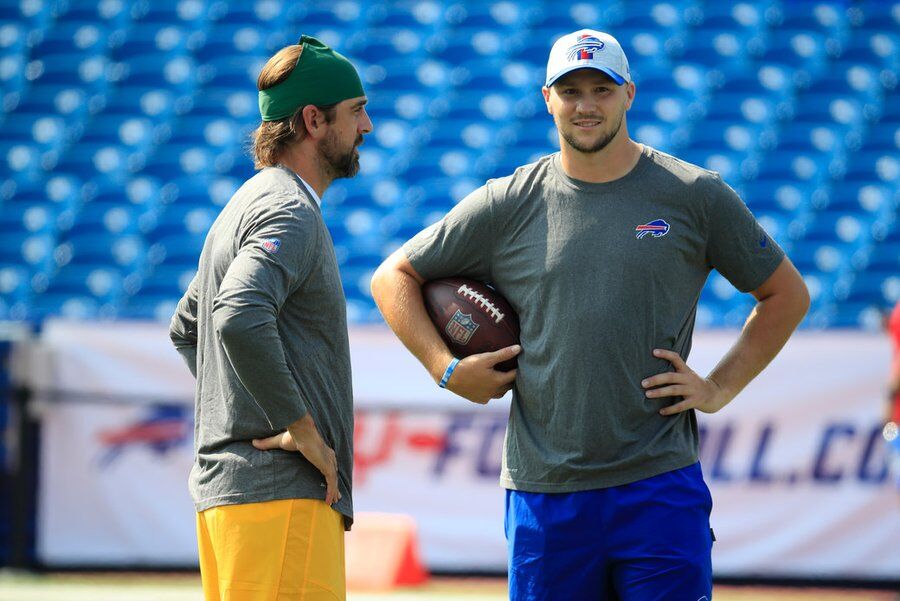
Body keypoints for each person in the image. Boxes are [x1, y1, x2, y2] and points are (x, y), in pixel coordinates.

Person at [370, 29, 809, 600]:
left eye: (601, 89)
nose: (585, 105)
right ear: (546, 98)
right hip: (545, 494)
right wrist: (445, 369)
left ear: (629, 94)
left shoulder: (694, 195)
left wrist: (719, 388)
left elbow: (786, 295)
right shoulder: (508, 201)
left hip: (658, 486)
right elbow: (392, 278)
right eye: (570, 90)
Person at [169, 35, 372, 601]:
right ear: (313, 120)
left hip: (237, 503)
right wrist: (296, 426)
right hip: (278, 501)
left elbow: (189, 328)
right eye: (356, 110)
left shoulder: (245, 201)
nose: (368, 127)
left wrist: (248, 414)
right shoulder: (289, 208)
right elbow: (234, 315)